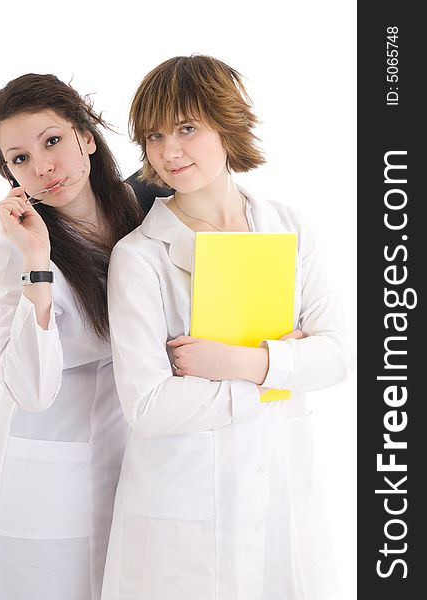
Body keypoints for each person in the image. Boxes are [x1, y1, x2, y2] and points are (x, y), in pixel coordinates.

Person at [102, 55, 353, 600]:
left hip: (280, 493)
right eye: (153, 136)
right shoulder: (140, 257)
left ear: (226, 122)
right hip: (182, 507)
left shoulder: (289, 227)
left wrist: (236, 364)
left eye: (187, 128)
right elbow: (148, 408)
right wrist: (281, 376)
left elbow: (337, 356)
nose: (169, 152)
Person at [0, 74, 143, 600]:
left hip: (129, 444)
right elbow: (33, 391)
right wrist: (38, 265)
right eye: (19, 159)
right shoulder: (11, 247)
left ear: (86, 136)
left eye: (52, 141)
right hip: (41, 458)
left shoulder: (145, 213)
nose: (42, 166)